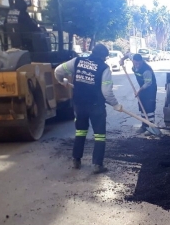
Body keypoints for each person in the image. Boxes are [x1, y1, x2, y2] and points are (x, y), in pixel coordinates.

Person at [54, 44, 123, 173]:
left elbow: (58, 71)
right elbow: (106, 92)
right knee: (99, 135)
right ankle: (97, 164)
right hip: (96, 106)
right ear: (103, 56)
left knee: (80, 132)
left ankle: (76, 160)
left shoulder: (77, 61)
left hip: (79, 105)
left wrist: (62, 81)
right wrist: (115, 104)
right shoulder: (104, 68)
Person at [131, 53, 157, 134]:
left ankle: (151, 127)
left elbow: (148, 83)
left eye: (139, 63)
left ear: (142, 61)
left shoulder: (146, 70)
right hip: (142, 89)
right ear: (133, 61)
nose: (137, 65)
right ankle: (144, 126)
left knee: (149, 109)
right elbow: (127, 54)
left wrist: (139, 90)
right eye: (136, 63)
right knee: (142, 107)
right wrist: (122, 59)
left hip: (150, 90)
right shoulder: (133, 59)